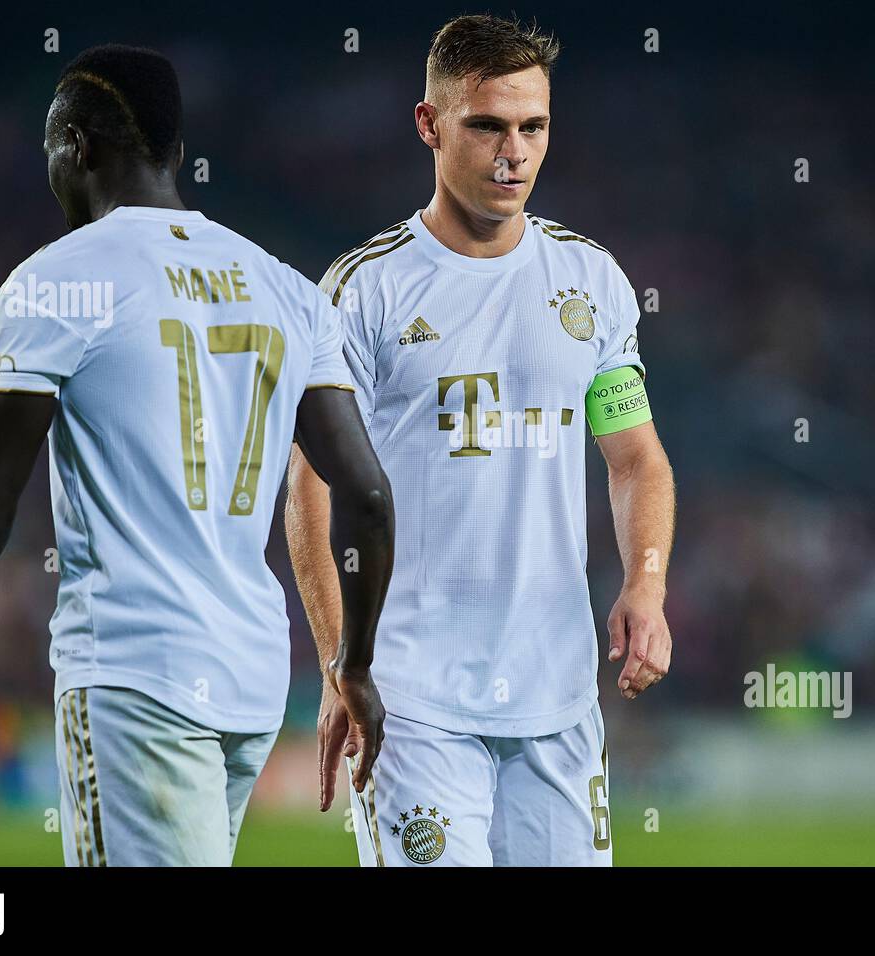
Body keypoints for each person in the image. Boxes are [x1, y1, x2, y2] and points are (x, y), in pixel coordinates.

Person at [0, 44, 394, 866]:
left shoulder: (56, 282)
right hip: (250, 679)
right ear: (177, 156)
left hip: (135, 672)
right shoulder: (287, 289)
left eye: (52, 148)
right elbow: (368, 496)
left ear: (77, 147)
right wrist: (354, 664)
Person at [287, 15, 676, 867]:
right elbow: (311, 488)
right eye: (488, 126)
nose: (515, 154)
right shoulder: (365, 292)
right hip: (411, 699)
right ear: (429, 125)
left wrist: (645, 588)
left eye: (533, 127)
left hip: (559, 700)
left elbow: (636, 459)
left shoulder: (591, 282)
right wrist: (334, 662)